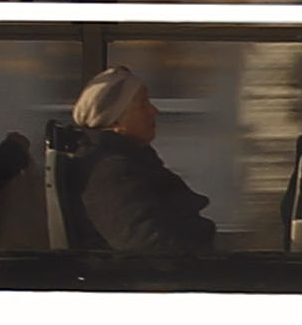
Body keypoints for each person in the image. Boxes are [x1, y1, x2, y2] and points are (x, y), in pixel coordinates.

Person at [65, 63, 214, 256]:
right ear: (116, 120)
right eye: (143, 103)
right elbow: (146, 244)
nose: (154, 111)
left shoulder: (128, 163)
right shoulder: (110, 172)